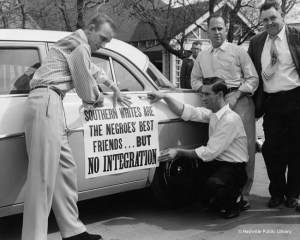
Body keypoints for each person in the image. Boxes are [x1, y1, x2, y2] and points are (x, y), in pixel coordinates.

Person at [22, 13, 131, 240]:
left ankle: (73, 231)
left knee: (65, 169)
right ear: (90, 29)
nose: (102, 45)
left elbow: (92, 69)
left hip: (50, 103)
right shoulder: (80, 47)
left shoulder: (75, 44)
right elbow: (85, 86)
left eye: (106, 42)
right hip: (47, 102)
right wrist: (97, 98)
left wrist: (113, 86)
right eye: (101, 38)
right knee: (42, 178)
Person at [148, 77, 248, 219]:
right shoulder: (213, 113)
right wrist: (164, 96)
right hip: (216, 164)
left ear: (219, 95)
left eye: (207, 94)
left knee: (213, 184)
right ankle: (216, 199)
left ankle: (234, 200)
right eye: (202, 94)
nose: (203, 98)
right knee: (182, 181)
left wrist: (178, 152)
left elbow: (208, 153)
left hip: (234, 169)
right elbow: (187, 112)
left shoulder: (230, 120)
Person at [190, 14, 258, 210]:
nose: (217, 32)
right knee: (219, 147)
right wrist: (206, 91)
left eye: (220, 28)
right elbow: (194, 80)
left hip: (240, 101)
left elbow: (253, 79)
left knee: (246, 149)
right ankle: (225, 191)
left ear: (225, 29)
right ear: (207, 31)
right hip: (216, 105)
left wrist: (236, 94)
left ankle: (244, 196)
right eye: (213, 29)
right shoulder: (202, 56)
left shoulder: (238, 51)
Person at [248, 0, 300, 210]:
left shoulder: (296, 37)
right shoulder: (256, 42)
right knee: (271, 150)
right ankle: (277, 191)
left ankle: (294, 193)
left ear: (282, 16)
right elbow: (251, 73)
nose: (269, 23)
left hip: (296, 99)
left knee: (297, 150)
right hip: (272, 103)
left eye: (273, 18)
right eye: (265, 20)